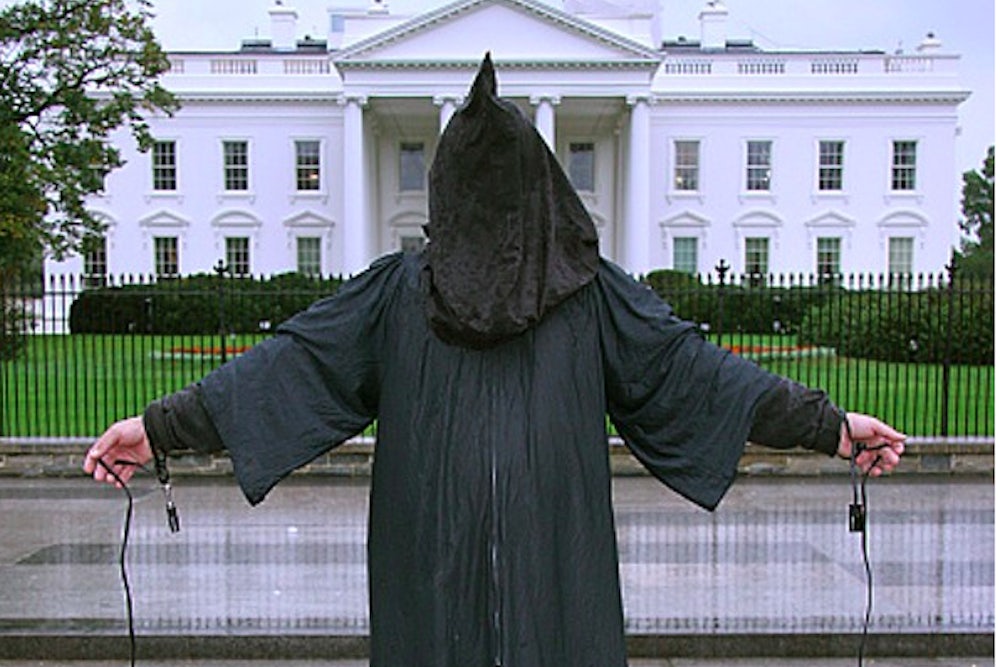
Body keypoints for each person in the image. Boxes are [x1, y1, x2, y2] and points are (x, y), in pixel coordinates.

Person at [84, 54, 905, 667]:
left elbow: (697, 376)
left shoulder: (575, 298)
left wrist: (155, 429)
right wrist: (833, 427)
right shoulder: (416, 296)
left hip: (545, 573)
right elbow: (292, 367)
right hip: (443, 569)